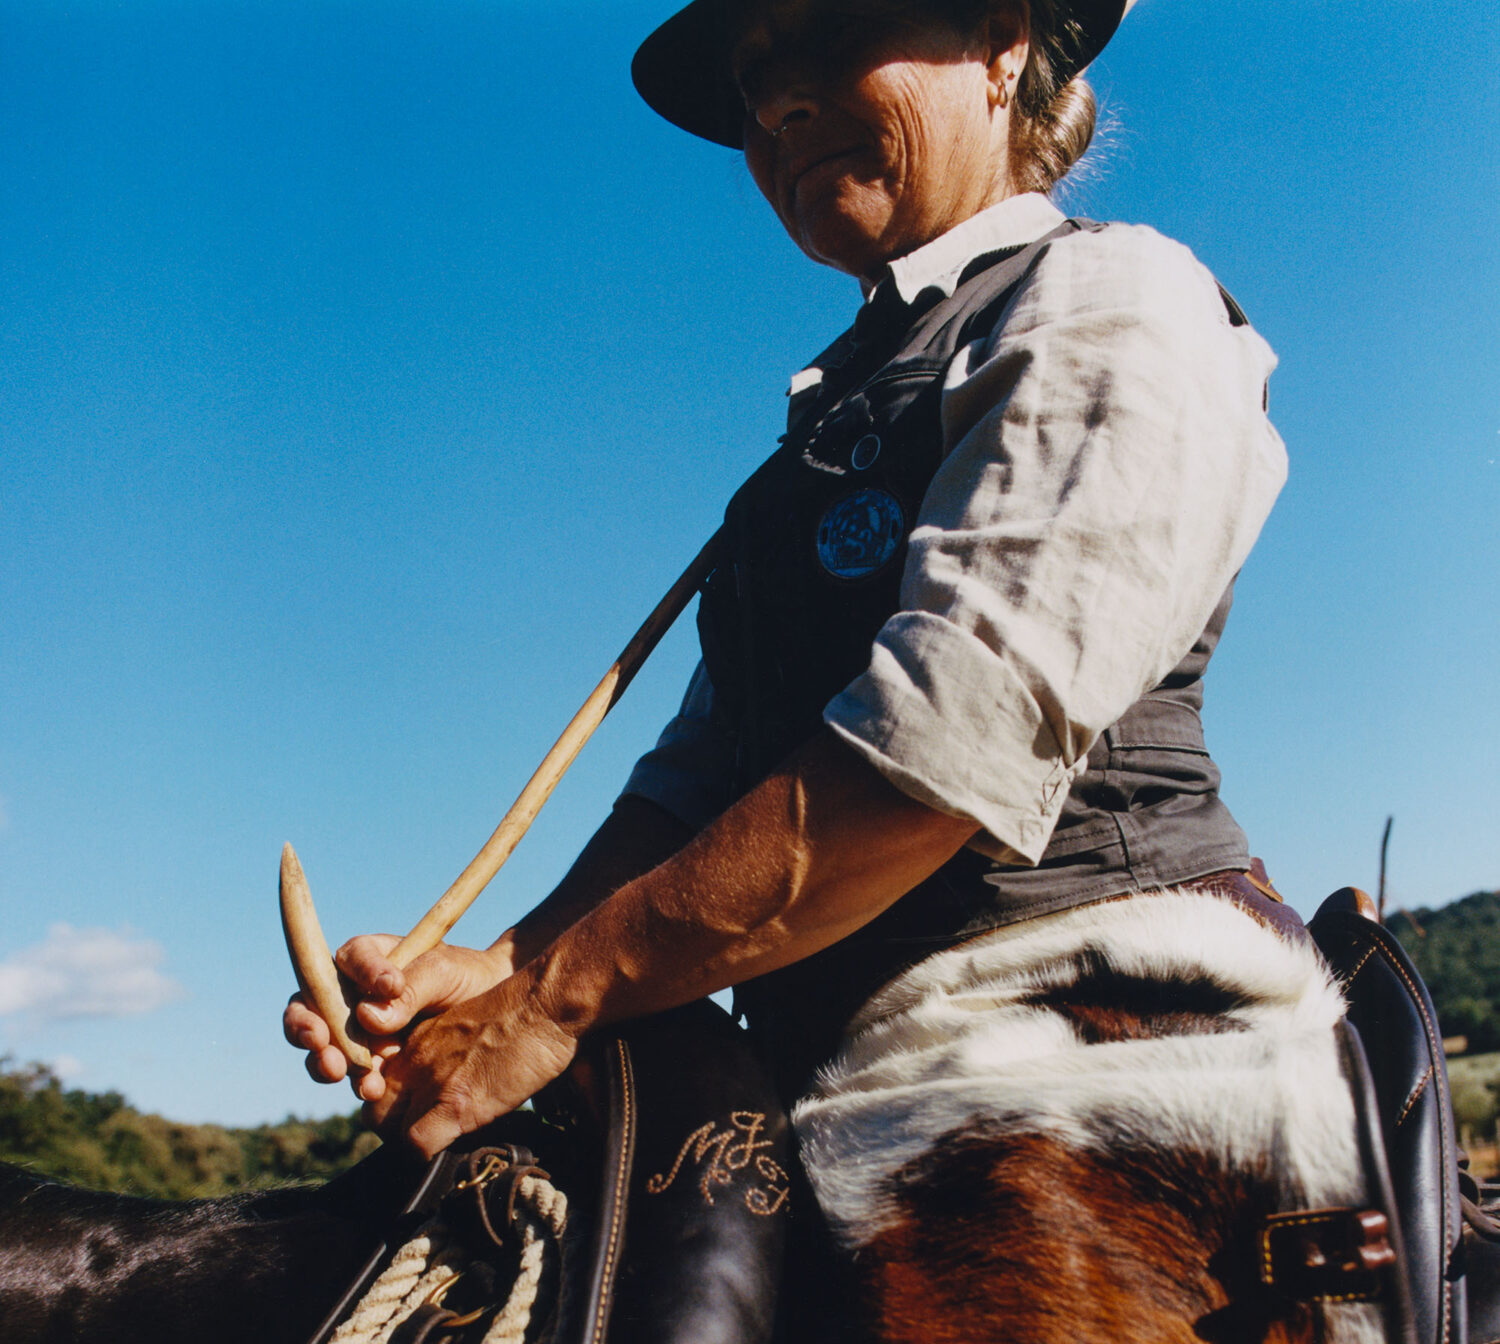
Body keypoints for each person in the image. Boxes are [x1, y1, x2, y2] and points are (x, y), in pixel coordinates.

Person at [284, 0, 1289, 1159]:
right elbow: (698, 784)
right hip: (831, 1047)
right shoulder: (838, 407)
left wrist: (552, 999)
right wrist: (500, 960)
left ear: (1004, 39)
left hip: (1089, 1010)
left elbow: (943, 748)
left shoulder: (1116, 295)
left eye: (836, 30)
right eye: (755, 74)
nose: (774, 104)